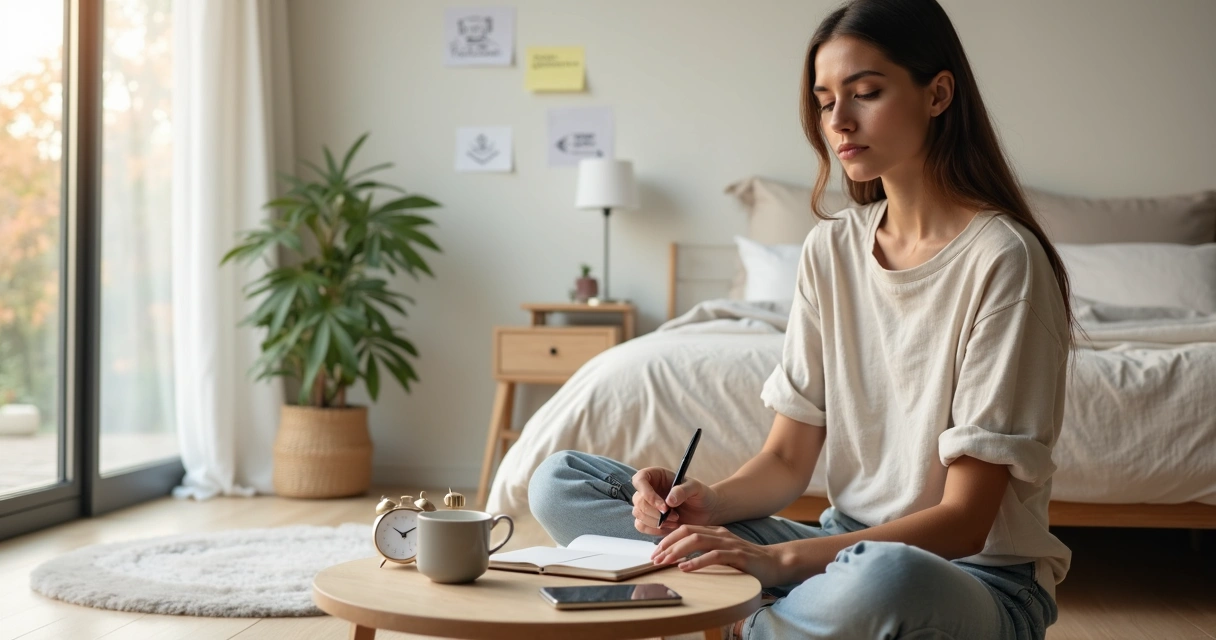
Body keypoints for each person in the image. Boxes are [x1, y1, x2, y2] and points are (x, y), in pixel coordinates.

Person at [528, 0, 1075, 637]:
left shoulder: (1004, 259)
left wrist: (772, 561)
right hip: (831, 555)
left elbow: (963, 523)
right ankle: (771, 616)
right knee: (559, 481)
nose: (838, 121)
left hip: (970, 578)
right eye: (823, 101)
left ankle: (740, 619)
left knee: (886, 579)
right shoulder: (830, 249)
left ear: (938, 94)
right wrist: (707, 502)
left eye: (866, 92)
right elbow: (787, 459)